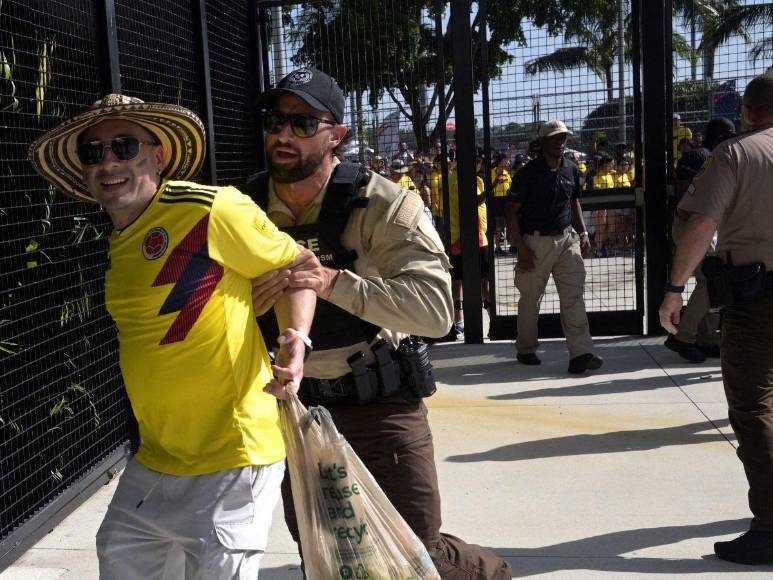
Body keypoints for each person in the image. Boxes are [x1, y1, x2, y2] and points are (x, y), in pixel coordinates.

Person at [27, 94, 316, 579]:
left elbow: (298, 266)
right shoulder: (120, 243)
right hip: (159, 455)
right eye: (93, 152)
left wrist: (296, 342)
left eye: (124, 146)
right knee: (119, 554)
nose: (109, 162)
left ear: (158, 156)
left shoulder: (211, 210)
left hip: (234, 456)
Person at [245, 67, 512, 579]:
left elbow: (434, 312)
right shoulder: (247, 208)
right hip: (298, 415)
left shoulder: (384, 203)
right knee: (333, 561)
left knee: (416, 555)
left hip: (378, 404)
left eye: (302, 124)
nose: (283, 135)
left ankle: (490, 573)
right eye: (275, 120)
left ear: (336, 136)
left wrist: (331, 282)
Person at [659, 74, 773, 565]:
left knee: (752, 407)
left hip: (758, 299)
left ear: (747, 110)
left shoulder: (736, 154)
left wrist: (674, 289)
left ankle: (770, 527)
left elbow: (702, 223)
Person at [504, 120, 603, 374]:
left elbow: (574, 203)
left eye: (563, 137)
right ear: (543, 142)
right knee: (530, 299)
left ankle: (581, 353)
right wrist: (521, 248)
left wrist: (583, 233)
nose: (561, 142)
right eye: (555, 138)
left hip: (567, 240)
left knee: (573, 296)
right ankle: (526, 349)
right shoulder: (527, 175)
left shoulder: (570, 169)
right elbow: (511, 212)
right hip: (535, 243)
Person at [664, 117, 736, 362]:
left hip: (704, 223)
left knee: (711, 280)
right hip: (694, 224)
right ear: (724, 134)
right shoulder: (700, 157)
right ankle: (682, 337)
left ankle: (706, 338)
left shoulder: (714, 156)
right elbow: (687, 199)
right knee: (709, 280)